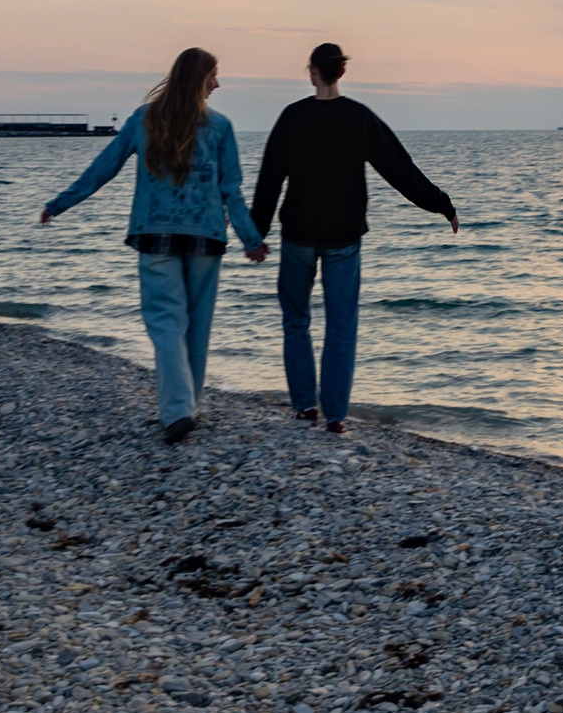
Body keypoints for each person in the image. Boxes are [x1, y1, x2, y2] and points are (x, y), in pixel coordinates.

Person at [38, 47, 265, 445]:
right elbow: (231, 191)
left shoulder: (144, 120)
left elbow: (103, 168)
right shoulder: (220, 127)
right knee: (195, 324)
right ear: (198, 79)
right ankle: (185, 407)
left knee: (166, 323)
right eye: (214, 76)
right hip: (204, 236)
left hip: (155, 234)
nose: (218, 83)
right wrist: (251, 239)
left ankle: (179, 410)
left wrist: (61, 203)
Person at [253, 42, 457, 435]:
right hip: (343, 237)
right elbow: (399, 168)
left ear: (313, 71)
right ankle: (335, 417)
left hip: (298, 234)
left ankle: (303, 409)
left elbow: (269, 179)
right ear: (340, 73)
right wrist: (441, 204)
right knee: (341, 325)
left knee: (296, 320)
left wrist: (255, 235)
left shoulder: (293, 116)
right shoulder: (359, 117)